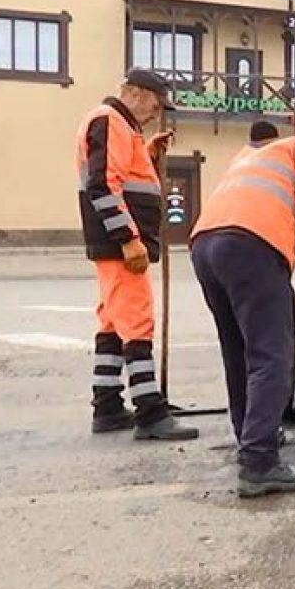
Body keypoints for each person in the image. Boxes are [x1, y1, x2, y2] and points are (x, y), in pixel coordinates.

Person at [189, 131, 295, 498]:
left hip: (206, 244)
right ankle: (259, 462)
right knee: (270, 353)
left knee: (238, 349)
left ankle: (251, 434)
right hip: (250, 241)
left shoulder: (256, 156)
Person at [76, 68, 198, 440]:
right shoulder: (109, 120)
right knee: (137, 321)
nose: (155, 114)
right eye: (156, 105)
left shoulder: (121, 127)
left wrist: (148, 151)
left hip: (114, 243)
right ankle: (150, 414)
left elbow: (120, 173)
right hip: (120, 244)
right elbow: (103, 184)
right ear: (136, 93)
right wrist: (129, 239)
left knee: (112, 322)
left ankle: (108, 405)